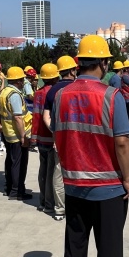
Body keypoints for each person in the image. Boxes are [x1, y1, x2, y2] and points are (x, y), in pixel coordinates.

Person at [51, 35, 129, 257]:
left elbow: (59, 134)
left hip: (74, 184)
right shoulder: (111, 96)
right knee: (109, 247)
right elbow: (121, 142)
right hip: (107, 187)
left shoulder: (61, 95)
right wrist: (127, 178)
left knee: (75, 244)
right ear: (102, 63)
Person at [41, 55, 78, 221]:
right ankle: (76, 208)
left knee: (58, 173)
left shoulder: (52, 91)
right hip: (78, 138)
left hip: (59, 140)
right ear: (72, 70)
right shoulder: (77, 87)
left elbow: (46, 117)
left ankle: (59, 210)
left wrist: (56, 131)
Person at [0, 66, 32, 200]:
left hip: (8, 133)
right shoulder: (14, 95)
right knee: (19, 163)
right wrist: (23, 136)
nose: (24, 82)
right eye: (22, 79)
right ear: (18, 81)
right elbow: (18, 117)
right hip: (17, 135)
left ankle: (9, 187)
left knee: (11, 161)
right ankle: (17, 191)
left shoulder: (4, 92)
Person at [32, 63, 60, 217]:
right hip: (52, 138)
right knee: (52, 173)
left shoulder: (38, 93)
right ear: (56, 77)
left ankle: (43, 201)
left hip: (41, 138)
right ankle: (50, 204)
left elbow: (36, 117)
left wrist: (33, 137)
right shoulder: (56, 93)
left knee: (43, 171)